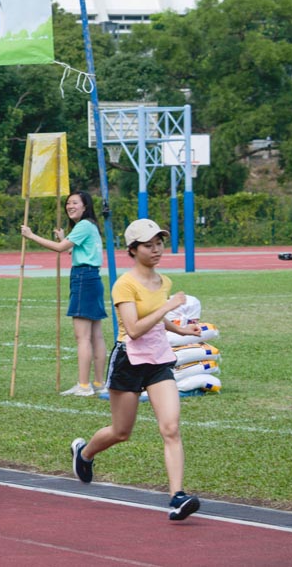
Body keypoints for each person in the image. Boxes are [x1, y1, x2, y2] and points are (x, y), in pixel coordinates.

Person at [69, 218, 202, 522]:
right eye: (148, 245)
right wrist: (168, 307)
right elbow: (134, 328)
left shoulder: (163, 282)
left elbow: (156, 320)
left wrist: (181, 331)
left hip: (158, 361)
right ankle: (85, 453)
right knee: (121, 431)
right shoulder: (124, 285)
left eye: (159, 243)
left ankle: (177, 497)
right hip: (129, 360)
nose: (156, 250)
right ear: (132, 249)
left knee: (170, 428)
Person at [20, 191, 108, 396]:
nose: (70, 206)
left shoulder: (84, 225)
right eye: (68, 203)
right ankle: (98, 382)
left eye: (75, 203)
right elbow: (78, 250)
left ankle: (84, 385)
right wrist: (65, 240)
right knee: (96, 335)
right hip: (93, 278)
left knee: (83, 337)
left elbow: (60, 249)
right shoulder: (89, 226)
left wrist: (31, 235)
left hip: (83, 279)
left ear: (85, 206)